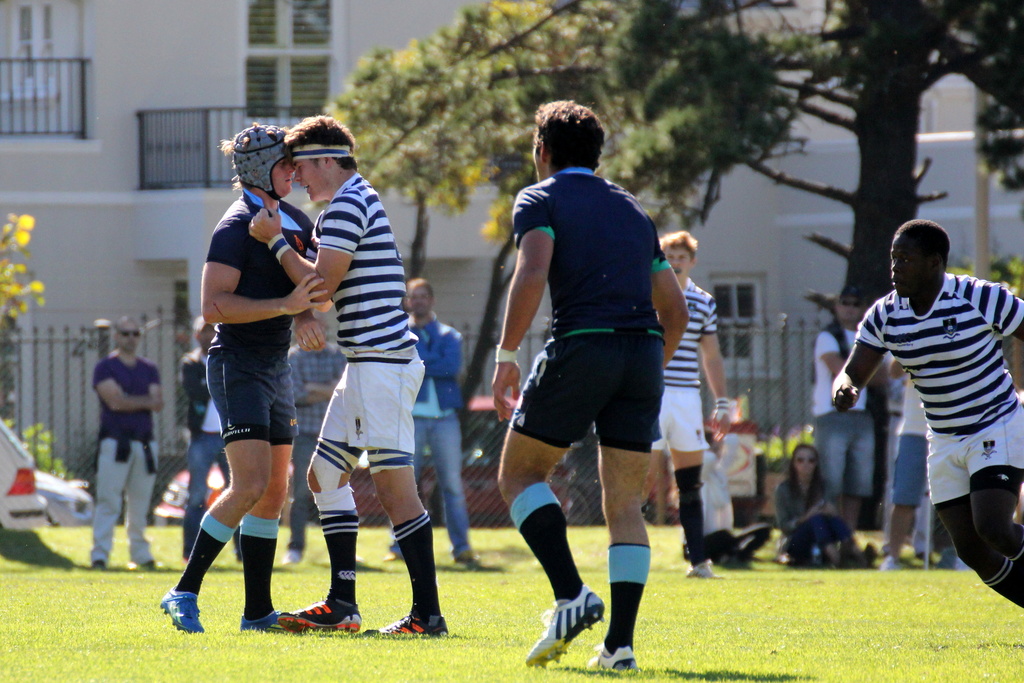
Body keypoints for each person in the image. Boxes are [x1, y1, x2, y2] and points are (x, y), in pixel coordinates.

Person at [491, 100, 688, 670]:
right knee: (625, 501)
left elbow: (532, 271)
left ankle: (571, 594)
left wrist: (506, 354)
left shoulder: (540, 197)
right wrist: (646, 365)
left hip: (586, 343)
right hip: (644, 353)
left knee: (520, 473)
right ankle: (619, 647)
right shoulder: (632, 209)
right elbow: (672, 308)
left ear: (543, 151)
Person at [248, 114, 446, 636]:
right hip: (367, 364)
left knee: (395, 488)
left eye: (301, 167)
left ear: (326, 161)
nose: (297, 178)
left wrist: (274, 241)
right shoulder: (352, 198)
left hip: (381, 365)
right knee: (323, 476)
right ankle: (343, 604)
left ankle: (428, 615)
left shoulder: (345, 205)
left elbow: (321, 287)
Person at [160, 123, 325, 634]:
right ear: (261, 171)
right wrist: (287, 305)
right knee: (250, 483)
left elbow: (309, 283)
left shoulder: (293, 220)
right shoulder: (235, 226)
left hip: (275, 366)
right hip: (236, 365)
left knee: (277, 491)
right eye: (287, 165)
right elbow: (212, 307)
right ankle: (182, 591)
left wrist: (300, 315)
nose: (296, 172)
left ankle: (257, 613)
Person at [835, 218, 1024, 608]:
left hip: (996, 424)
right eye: (893, 258)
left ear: (935, 262)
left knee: (994, 527)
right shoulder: (886, 314)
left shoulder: (979, 296)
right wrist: (845, 386)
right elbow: (855, 369)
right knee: (971, 550)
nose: (895, 268)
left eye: (905, 258)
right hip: (942, 437)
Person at [650, 230, 732, 579]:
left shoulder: (704, 301)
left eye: (681, 256)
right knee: (636, 480)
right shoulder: (647, 293)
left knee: (689, 481)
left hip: (685, 396)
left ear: (692, 261)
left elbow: (711, 355)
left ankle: (698, 561)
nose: (675, 262)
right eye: (669, 255)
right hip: (650, 394)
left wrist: (722, 402)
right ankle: (627, 552)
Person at [385, 278, 477, 567]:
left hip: (445, 420)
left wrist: (420, 361)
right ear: (408, 301)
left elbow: (451, 366)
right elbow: (399, 365)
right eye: (415, 296)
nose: (419, 301)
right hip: (410, 420)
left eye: (424, 296)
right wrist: (429, 360)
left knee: (452, 485)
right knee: (405, 485)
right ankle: (399, 547)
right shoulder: (399, 334)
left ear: (432, 300)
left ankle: (461, 548)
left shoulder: (450, 335)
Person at [90, 316, 163, 571]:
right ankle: (100, 555)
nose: (131, 338)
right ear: (116, 336)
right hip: (114, 442)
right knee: (108, 501)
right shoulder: (105, 367)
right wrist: (140, 401)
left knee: (140, 503)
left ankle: (141, 555)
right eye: (125, 333)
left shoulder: (149, 368)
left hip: (144, 443)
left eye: (135, 334)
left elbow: (158, 402)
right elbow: (114, 402)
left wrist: (127, 399)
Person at [812, 284, 885, 536]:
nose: (850, 308)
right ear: (836, 306)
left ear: (862, 308)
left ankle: (848, 536)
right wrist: (864, 371)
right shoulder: (826, 337)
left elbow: (883, 377)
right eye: (845, 302)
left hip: (862, 415)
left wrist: (862, 372)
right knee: (831, 480)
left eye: (855, 304)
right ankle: (829, 536)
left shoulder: (868, 338)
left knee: (858, 482)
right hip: (831, 415)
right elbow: (842, 371)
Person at [284, 322, 346, 566]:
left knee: (338, 492)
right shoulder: (293, 358)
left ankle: (342, 549)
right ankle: (295, 547)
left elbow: (344, 390)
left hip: (335, 433)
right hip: (304, 434)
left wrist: (313, 388)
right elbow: (296, 394)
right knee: (300, 493)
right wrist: (328, 389)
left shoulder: (337, 355)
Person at [180, 315, 232, 563]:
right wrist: (215, 384)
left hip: (229, 436)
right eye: (204, 331)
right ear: (196, 335)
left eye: (213, 331)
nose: (209, 336)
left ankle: (241, 554)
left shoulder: (228, 359)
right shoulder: (190, 363)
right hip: (202, 437)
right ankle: (189, 551)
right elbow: (195, 391)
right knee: (197, 494)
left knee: (238, 493)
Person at [773, 444, 857, 567]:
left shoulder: (824, 486)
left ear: (816, 464)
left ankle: (850, 550)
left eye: (811, 460)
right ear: (793, 464)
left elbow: (833, 518)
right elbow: (784, 526)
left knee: (829, 519)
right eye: (800, 460)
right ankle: (842, 556)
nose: (805, 464)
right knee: (815, 519)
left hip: (823, 534)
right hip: (795, 541)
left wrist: (831, 511)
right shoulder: (783, 489)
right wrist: (805, 518)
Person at [878, 368, 928, 570]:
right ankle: (893, 557)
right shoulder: (909, 336)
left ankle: (963, 558)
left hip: (953, 428)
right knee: (904, 496)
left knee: (961, 497)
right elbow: (894, 371)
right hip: (914, 429)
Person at [699, 445, 771, 567]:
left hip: (725, 537)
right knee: (722, 536)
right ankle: (727, 554)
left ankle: (737, 555)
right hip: (702, 542)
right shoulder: (699, 479)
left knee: (764, 529)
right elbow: (708, 459)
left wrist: (724, 435)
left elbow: (730, 450)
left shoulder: (719, 475)